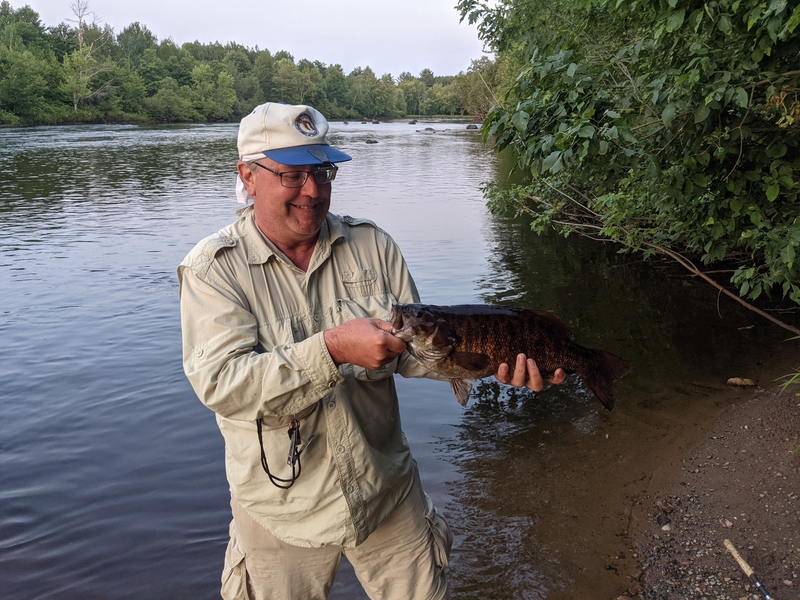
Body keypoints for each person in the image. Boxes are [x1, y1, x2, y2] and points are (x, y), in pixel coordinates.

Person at [178, 102, 565, 600]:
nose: (313, 191)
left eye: (323, 172)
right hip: (279, 510)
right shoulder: (213, 270)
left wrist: (495, 367)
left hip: (386, 490)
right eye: (293, 175)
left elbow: (421, 352)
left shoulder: (372, 246)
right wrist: (333, 349)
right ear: (247, 177)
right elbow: (223, 385)